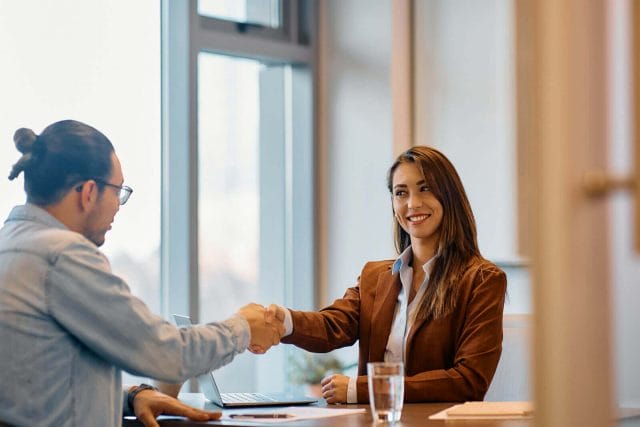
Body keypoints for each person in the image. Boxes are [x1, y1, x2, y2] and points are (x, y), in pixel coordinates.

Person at [0, 120, 284, 427]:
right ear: (89, 192)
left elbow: (36, 384)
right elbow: (167, 353)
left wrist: (132, 395)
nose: (119, 207)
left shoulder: (11, 245)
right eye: (118, 191)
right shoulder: (62, 255)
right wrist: (243, 328)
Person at [267, 146, 507, 404]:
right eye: (401, 193)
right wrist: (283, 321)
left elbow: (468, 381)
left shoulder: (482, 280)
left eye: (425, 188)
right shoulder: (375, 276)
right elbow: (332, 326)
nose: (412, 203)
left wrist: (364, 389)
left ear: (449, 196)